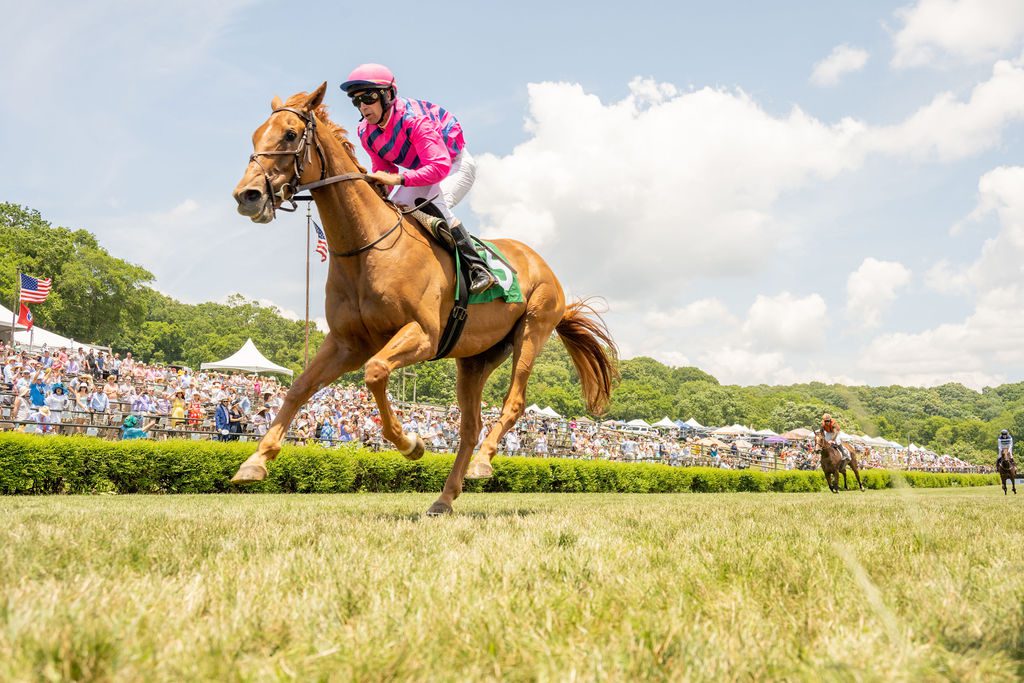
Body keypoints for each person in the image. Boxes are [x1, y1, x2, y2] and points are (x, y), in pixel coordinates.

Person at [340, 63, 496, 294]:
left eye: (369, 97)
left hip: (453, 165)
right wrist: (380, 185)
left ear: (388, 95)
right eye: (357, 101)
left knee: (434, 206)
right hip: (421, 171)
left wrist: (398, 180)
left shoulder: (415, 121)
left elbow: (438, 168)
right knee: (395, 210)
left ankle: (479, 268)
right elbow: (385, 167)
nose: (363, 106)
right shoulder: (365, 131)